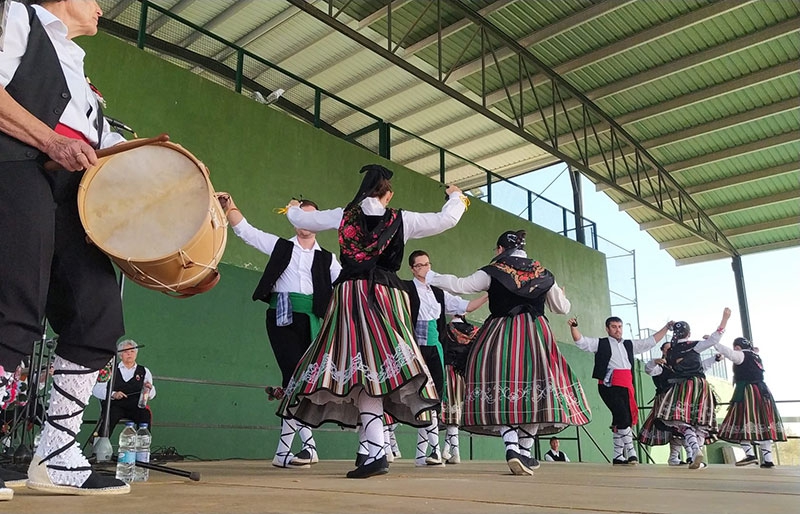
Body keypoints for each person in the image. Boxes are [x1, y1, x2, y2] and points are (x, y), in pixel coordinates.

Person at [0, 0, 130, 497]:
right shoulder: (15, 16)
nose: (101, 7)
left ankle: (55, 455)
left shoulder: (75, 62)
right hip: (14, 162)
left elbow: (98, 141)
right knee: (13, 308)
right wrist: (51, 142)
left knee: (97, 317)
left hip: (73, 189)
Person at [278, 164, 467, 479]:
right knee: (377, 370)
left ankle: (373, 450)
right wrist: (456, 196)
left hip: (350, 296)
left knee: (360, 371)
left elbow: (301, 219)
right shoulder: (401, 218)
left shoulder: (343, 215)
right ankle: (375, 450)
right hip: (385, 296)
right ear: (388, 193)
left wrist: (294, 208)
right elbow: (446, 219)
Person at [427, 230, 591, 476]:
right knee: (538, 392)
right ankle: (524, 451)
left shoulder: (493, 271)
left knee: (495, 386)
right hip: (536, 334)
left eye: (496, 250)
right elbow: (561, 307)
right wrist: (562, 296)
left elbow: (461, 285)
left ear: (501, 249)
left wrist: (430, 275)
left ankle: (513, 447)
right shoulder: (544, 273)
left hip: (501, 333)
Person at [218, 193, 341, 469]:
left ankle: (283, 451)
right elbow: (248, 232)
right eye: (301, 215)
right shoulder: (281, 247)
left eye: (312, 217)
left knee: (295, 382)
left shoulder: (328, 260)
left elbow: (346, 284)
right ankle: (308, 446)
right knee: (294, 377)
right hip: (281, 317)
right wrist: (231, 207)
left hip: (312, 320)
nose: (305, 223)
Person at [403, 250, 487, 467]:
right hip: (414, 348)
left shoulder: (439, 293)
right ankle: (426, 452)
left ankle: (431, 451)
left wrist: (489, 293)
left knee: (434, 398)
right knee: (417, 397)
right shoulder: (406, 289)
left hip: (435, 348)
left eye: (427, 264)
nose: (425, 268)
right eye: (420, 265)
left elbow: (466, 306)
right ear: (412, 269)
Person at [570, 316, 672, 465]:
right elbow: (581, 342)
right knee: (623, 417)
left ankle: (617, 456)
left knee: (622, 419)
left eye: (619, 327)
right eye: (614, 327)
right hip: (608, 385)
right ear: (607, 328)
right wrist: (573, 327)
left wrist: (666, 328)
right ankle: (631, 452)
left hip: (626, 385)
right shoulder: (601, 343)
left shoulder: (629, 344)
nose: (617, 330)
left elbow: (650, 341)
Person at [652, 307, 731, 470]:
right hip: (699, 385)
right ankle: (697, 452)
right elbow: (715, 339)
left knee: (682, 421)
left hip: (680, 387)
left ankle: (695, 451)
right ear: (688, 333)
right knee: (701, 421)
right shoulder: (694, 345)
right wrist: (725, 319)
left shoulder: (671, 350)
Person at [714, 336, 786, 468]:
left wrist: (714, 342)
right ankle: (768, 459)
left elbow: (729, 353)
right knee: (763, 423)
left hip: (747, 392)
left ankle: (750, 454)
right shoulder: (755, 356)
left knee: (740, 420)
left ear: (737, 347)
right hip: (763, 392)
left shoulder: (740, 355)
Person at [92, 340, 156, 437]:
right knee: (110, 415)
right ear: (120, 355)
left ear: (136, 354)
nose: (129, 354)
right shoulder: (109, 369)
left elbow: (150, 395)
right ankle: (100, 444)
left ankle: (143, 446)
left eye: (132, 351)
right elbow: (96, 390)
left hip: (135, 406)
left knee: (145, 415)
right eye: (126, 352)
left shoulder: (144, 371)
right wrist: (113, 394)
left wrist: (149, 389)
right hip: (115, 406)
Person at [441, 315, 479, 465]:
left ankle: (455, 452)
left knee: (450, 413)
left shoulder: (446, 330)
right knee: (455, 412)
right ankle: (447, 450)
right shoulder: (475, 332)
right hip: (464, 375)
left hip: (448, 372)